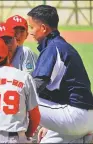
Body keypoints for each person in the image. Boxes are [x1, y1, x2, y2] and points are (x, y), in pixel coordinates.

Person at [27, 5, 93, 143]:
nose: (30, 32)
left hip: (73, 116)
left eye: (32, 27)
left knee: (19, 97)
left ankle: (19, 139)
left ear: (44, 28)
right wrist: (51, 124)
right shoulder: (62, 46)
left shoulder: (53, 48)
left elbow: (35, 86)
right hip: (82, 117)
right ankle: (84, 138)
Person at [0, 36, 40, 143]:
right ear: (8, 54)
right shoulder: (24, 76)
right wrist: (27, 135)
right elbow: (35, 116)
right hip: (16, 138)